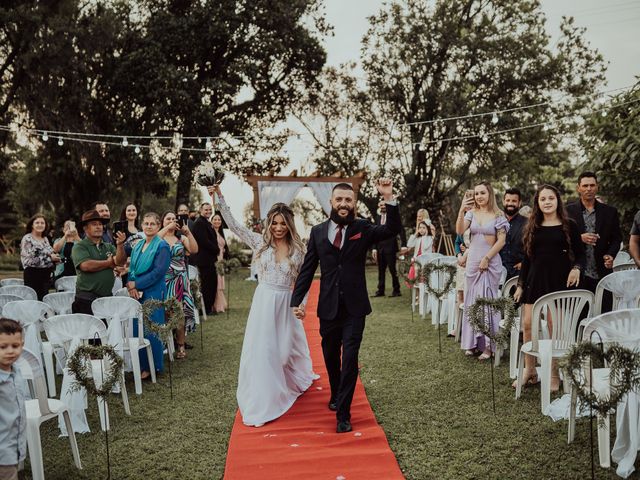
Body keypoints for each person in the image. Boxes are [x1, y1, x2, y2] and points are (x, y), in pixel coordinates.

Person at [291, 179, 401, 434]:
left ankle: (343, 412)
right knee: (330, 356)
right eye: (339, 199)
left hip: (355, 307)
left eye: (348, 200)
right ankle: (336, 391)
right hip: (328, 307)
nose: (343, 204)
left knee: (350, 358)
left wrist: (389, 196)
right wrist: (296, 301)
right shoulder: (317, 232)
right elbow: (308, 269)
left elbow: (391, 230)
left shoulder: (363, 228)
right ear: (331, 202)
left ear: (354, 203)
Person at [210, 185, 316, 428]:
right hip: (264, 301)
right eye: (274, 223)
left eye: (283, 224)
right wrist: (219, 196)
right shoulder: (259, 243)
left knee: (284, 351)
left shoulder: (299, 250)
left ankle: (287, 379)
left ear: (290, 224)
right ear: (269, 224)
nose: (278, 228)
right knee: (264, 351)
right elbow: (234, 225)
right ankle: (265, 393)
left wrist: (301, 305)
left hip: (285, 305)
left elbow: (304, 281)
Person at [514, 184, 584, 390]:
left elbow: (580, 254)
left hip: (558, 281)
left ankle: (553, 373)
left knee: (554, 328)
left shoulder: (569, 225)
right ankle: (530, 370)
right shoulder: (532, 226)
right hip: (534, 281)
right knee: (527, 325)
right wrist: (520, 284)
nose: (547, 202)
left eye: (550, 198)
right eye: (542, 199)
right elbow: (527, 259)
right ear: (537, 202)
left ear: (557, 200)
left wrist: (577, 268)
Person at [456, 182, 509, 360]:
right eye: (476, 193)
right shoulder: (471, 213)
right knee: (472, 301)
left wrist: (487, 258)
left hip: (490, 261)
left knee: (487, 302)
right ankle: (473, 342)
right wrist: (461, 211)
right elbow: (460, 230)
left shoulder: (498, 215)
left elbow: (501, 241)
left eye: (482, 193)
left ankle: (488, 345)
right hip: (472, 262)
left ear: (489, 194)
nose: (479, 196)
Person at [566, 172, 621, 311]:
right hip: (577, 271)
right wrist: (580, 237)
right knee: (578, 316)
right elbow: (561, 239)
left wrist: (611, 255)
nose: (588, 189)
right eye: (585, 185)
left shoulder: (610, 212)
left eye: (592, 185)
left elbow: (616, 238)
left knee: (605, 313)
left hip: (602, 272)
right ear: (578, 188)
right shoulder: (567, 212)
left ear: (597, 187)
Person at [126, 213, 171, 379]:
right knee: (138, 328)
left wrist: (136, 284)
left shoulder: (162, 246)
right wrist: (131, 286)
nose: (149, 226)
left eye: (153, 224)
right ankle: (141, 364)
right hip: (136, 292)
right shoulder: (138, 245)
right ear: (142, 225)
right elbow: (132, 268)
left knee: (151, 329)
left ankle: (155, 366)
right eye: (146, 223)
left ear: (158, 226)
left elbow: (158, 272)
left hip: (154, 290)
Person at [159, 212, 198, 360]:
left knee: (179, 313)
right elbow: (153, 242)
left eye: (173, 219)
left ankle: (181, 345)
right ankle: (164, 344)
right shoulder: (158, 237)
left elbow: (194, 250)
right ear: (163, 222)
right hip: (163, 279)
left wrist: (188, 233)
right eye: (167, 218)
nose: (171, 221)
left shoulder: (181, 238)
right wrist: (167, 228)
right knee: (164, 312)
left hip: (180, 280)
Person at [71, 210, 127, 314]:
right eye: (94, 224)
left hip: (106, 298)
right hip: (86, 300)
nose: (98, 227)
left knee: (105, 330)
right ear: (85, 228)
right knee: (88, 330)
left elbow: (120, 262)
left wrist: (120, 244)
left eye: (100, 224)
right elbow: (86, 265)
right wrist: (109, 263)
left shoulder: (108, 246)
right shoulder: (80, 246)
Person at [0, 318, 26, 480]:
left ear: (22, 344)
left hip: (14, 445)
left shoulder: (16, 371)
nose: (10, 351)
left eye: (15, 346)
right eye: (3, 347)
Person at [20, 214, 61, 300]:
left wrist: (56, 259)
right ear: (32, 225)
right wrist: (50, 258)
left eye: (42, 223)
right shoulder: (27, 238)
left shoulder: (45, 239)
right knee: (33, 301)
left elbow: (51, 252)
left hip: (45, 276)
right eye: (37, 222)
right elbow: (30, 260)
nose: (40, 225)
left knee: (43, 301)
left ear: (45, 225)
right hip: (32, 275)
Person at [189, 203, 220, 315]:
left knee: (212, 284)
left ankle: (209, 307)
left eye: (209, 209)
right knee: (207, 285)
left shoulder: (206, 222)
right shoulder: (199, 223)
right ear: (201, 210)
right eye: (206, 210)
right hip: (204, 260)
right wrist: (216, 249)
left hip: (209, 260)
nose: (208, 211)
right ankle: (206, 309)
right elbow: (203, 241)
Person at [372, 200, 407, 297]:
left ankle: (396, 290)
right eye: (381, 205)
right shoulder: (378, 217)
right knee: (381, 270)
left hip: (391, 247)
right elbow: (374, 233)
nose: (382, 206)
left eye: (384, 205)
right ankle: (380, 291)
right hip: (380, 248)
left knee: (392, 270)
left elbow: (401, 230)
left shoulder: (393, 217)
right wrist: (374, 248)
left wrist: (404, 244)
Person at [499, 188, 527, 279]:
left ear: (519, 203)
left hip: (519, 274)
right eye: (508, 200)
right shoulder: (496, 221)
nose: (510, 203)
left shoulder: (528, 223)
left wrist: (525, 263)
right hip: (497, 272)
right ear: (503, 202)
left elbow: (535, 246)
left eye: (514, 201)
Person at [211, 213, 229, 313]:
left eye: (219, 220)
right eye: (215, 219)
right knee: (217, 281)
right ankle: (217, 305)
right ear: (211, 221)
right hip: (215, 259)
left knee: (221, 281)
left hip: (221, 259)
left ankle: (221, 302)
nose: (217, 221)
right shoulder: (211, 232)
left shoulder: (221, 233)